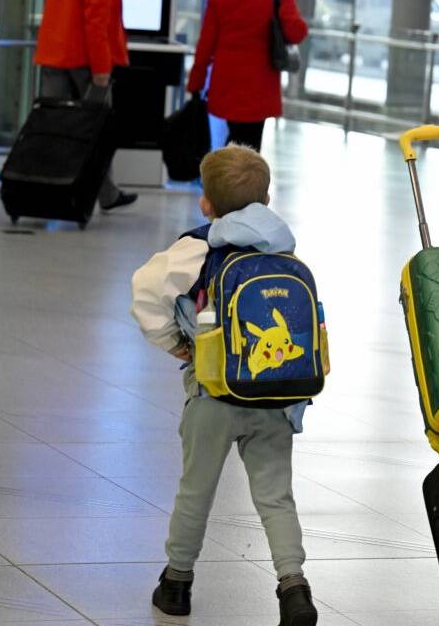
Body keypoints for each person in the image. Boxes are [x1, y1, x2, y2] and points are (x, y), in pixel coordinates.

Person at [130, 145, 318, 626]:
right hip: (276, 397)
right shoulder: (284, 251)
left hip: (213, 393)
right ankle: (294, 588)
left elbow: (145, 288)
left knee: (196, 490)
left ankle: (176, 584)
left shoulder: (199, 247)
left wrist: (175, 343)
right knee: (276, 496)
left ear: (206, 203)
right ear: (266, 199)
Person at [33, 0, 136, 211]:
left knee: (53, 128)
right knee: (97, 130)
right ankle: (102, 194)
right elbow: (96, 18)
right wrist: (102, 68)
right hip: (86, 60)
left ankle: (44, 189)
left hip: (54, 54)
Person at [187, 0, 308, 152]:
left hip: (225, 84)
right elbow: (297, 33)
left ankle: (224, 171)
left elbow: (205, 44)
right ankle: (231, 174)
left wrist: (196, 83)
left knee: (236, 139)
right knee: (248, 146)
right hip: (259, 86)